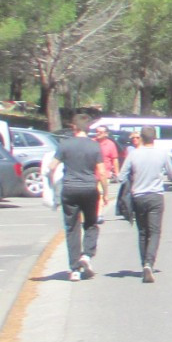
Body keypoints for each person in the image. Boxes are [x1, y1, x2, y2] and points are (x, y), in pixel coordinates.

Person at [43, 113, 108, 280]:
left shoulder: (65, 145)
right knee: (91, 223)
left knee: (72, 228)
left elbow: (51, 167)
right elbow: (101, 172)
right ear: (88, 129)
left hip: (70, 189)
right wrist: (105, 192)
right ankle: (86, 255)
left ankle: (74, 270)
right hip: (89, 188)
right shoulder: (94, 146)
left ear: (74, 127)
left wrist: (51, 185)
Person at [116, 124, 172, 283]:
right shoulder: (162, 154)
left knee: (143, 231)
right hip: (156, 196)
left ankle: (144, 263)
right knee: (155, 231)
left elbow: (120, 176)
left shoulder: (133, 155)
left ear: (142, 138)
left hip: (138, 196)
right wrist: (171, 178)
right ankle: (149, 264)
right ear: (155, 139)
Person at [94, 125, 122, 206]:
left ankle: (99, 215)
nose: (98, 133)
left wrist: (117, 173)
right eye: (97, 131)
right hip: (92, 174)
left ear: (106, 134)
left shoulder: (111, 144)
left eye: (100, 132)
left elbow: (115, 159)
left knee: (101, 194)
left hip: (105, 175)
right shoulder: (92, 142)